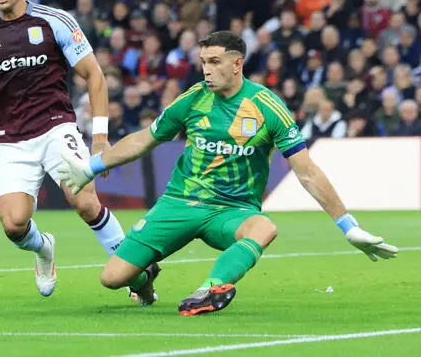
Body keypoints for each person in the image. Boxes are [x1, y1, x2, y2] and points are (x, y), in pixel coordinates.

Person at [57, 31, 398, 315]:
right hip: (180, 203)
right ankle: (145, 277)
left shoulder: (266, 105)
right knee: (113, 277)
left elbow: (306, 171)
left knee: (264, 227)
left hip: (232, 211)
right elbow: (145, 139)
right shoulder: (193, 99)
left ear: (237, 64)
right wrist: (91, 166)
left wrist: (348, 225)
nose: (206, 70)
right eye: (203, 62)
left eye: (214, 62)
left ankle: (210, 289)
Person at [0, 0, 136, 301]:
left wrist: (100, 139)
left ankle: (133, 268)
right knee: (14, 225)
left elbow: (94, 75)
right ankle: (44, 248)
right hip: (9, 139)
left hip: (55, 128)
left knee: (83, 200)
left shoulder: (55, 21)